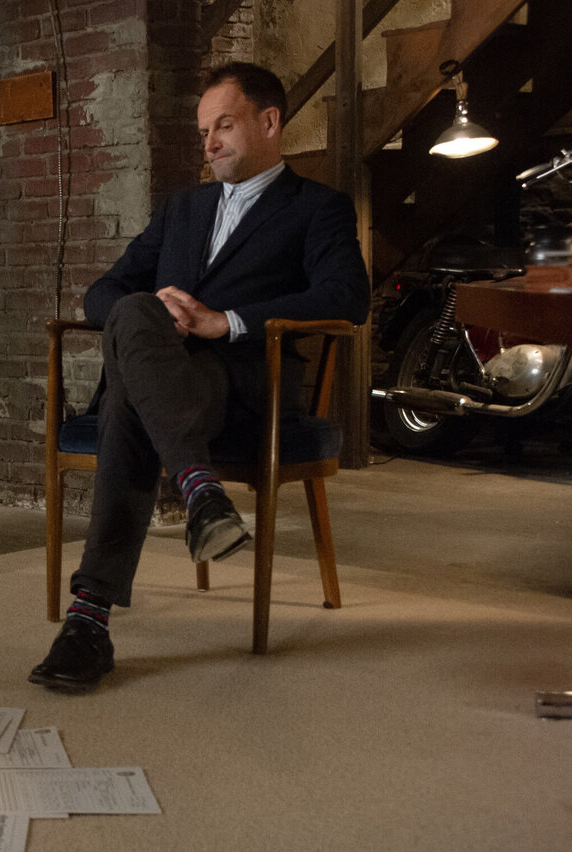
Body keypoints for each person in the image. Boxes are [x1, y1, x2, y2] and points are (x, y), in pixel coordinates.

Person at [29, 62, 370, 694]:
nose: (209, 143)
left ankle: (89, 622)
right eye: (204, 131)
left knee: (129, 399)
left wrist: (226, 322)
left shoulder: (317, 208)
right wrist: (156, 314)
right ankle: (200, 491)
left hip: (242, 385)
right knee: (135, 310)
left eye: (224, 126)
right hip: (168, 383)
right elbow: (103, 292)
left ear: (269, 122)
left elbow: (347, 298)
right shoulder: (182, 209)